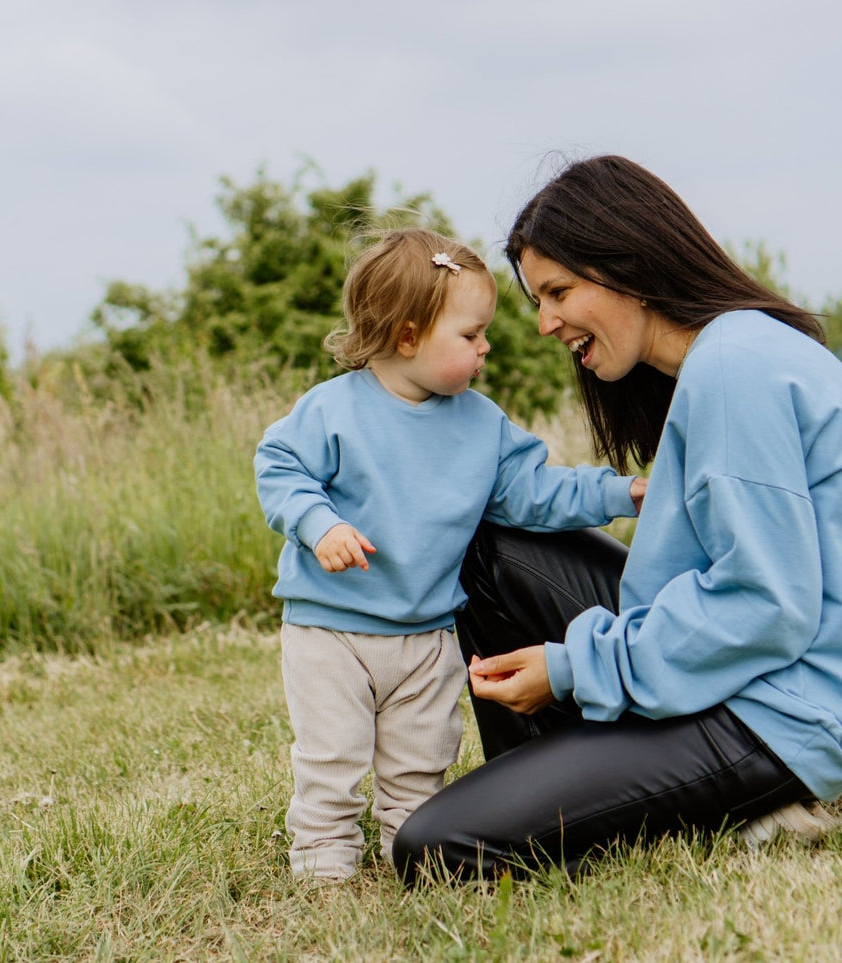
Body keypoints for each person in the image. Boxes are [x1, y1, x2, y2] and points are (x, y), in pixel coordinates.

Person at [392, 156, 842, 884]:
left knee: (440, 848)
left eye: (558, 291)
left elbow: (767, 606)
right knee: (491, 544)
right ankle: (567, 787)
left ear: (626, 267)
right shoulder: (724, 355)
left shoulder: (736, 368)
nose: (544, 323)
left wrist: (575, 665)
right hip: (738, 676)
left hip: (777, 714)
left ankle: (618, 807)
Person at [254, 227, 644, 883]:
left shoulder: (479, 422)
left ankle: (413, 846)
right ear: (407, 337)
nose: (485, 346)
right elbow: (280, 469)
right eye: (470, 336)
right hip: (330, 630)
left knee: (419, 758)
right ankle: (322, 857)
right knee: (331, 753)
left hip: (425, 634)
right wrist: (319, 524)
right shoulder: (333, 410)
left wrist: (622, 490)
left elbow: (535, 491)